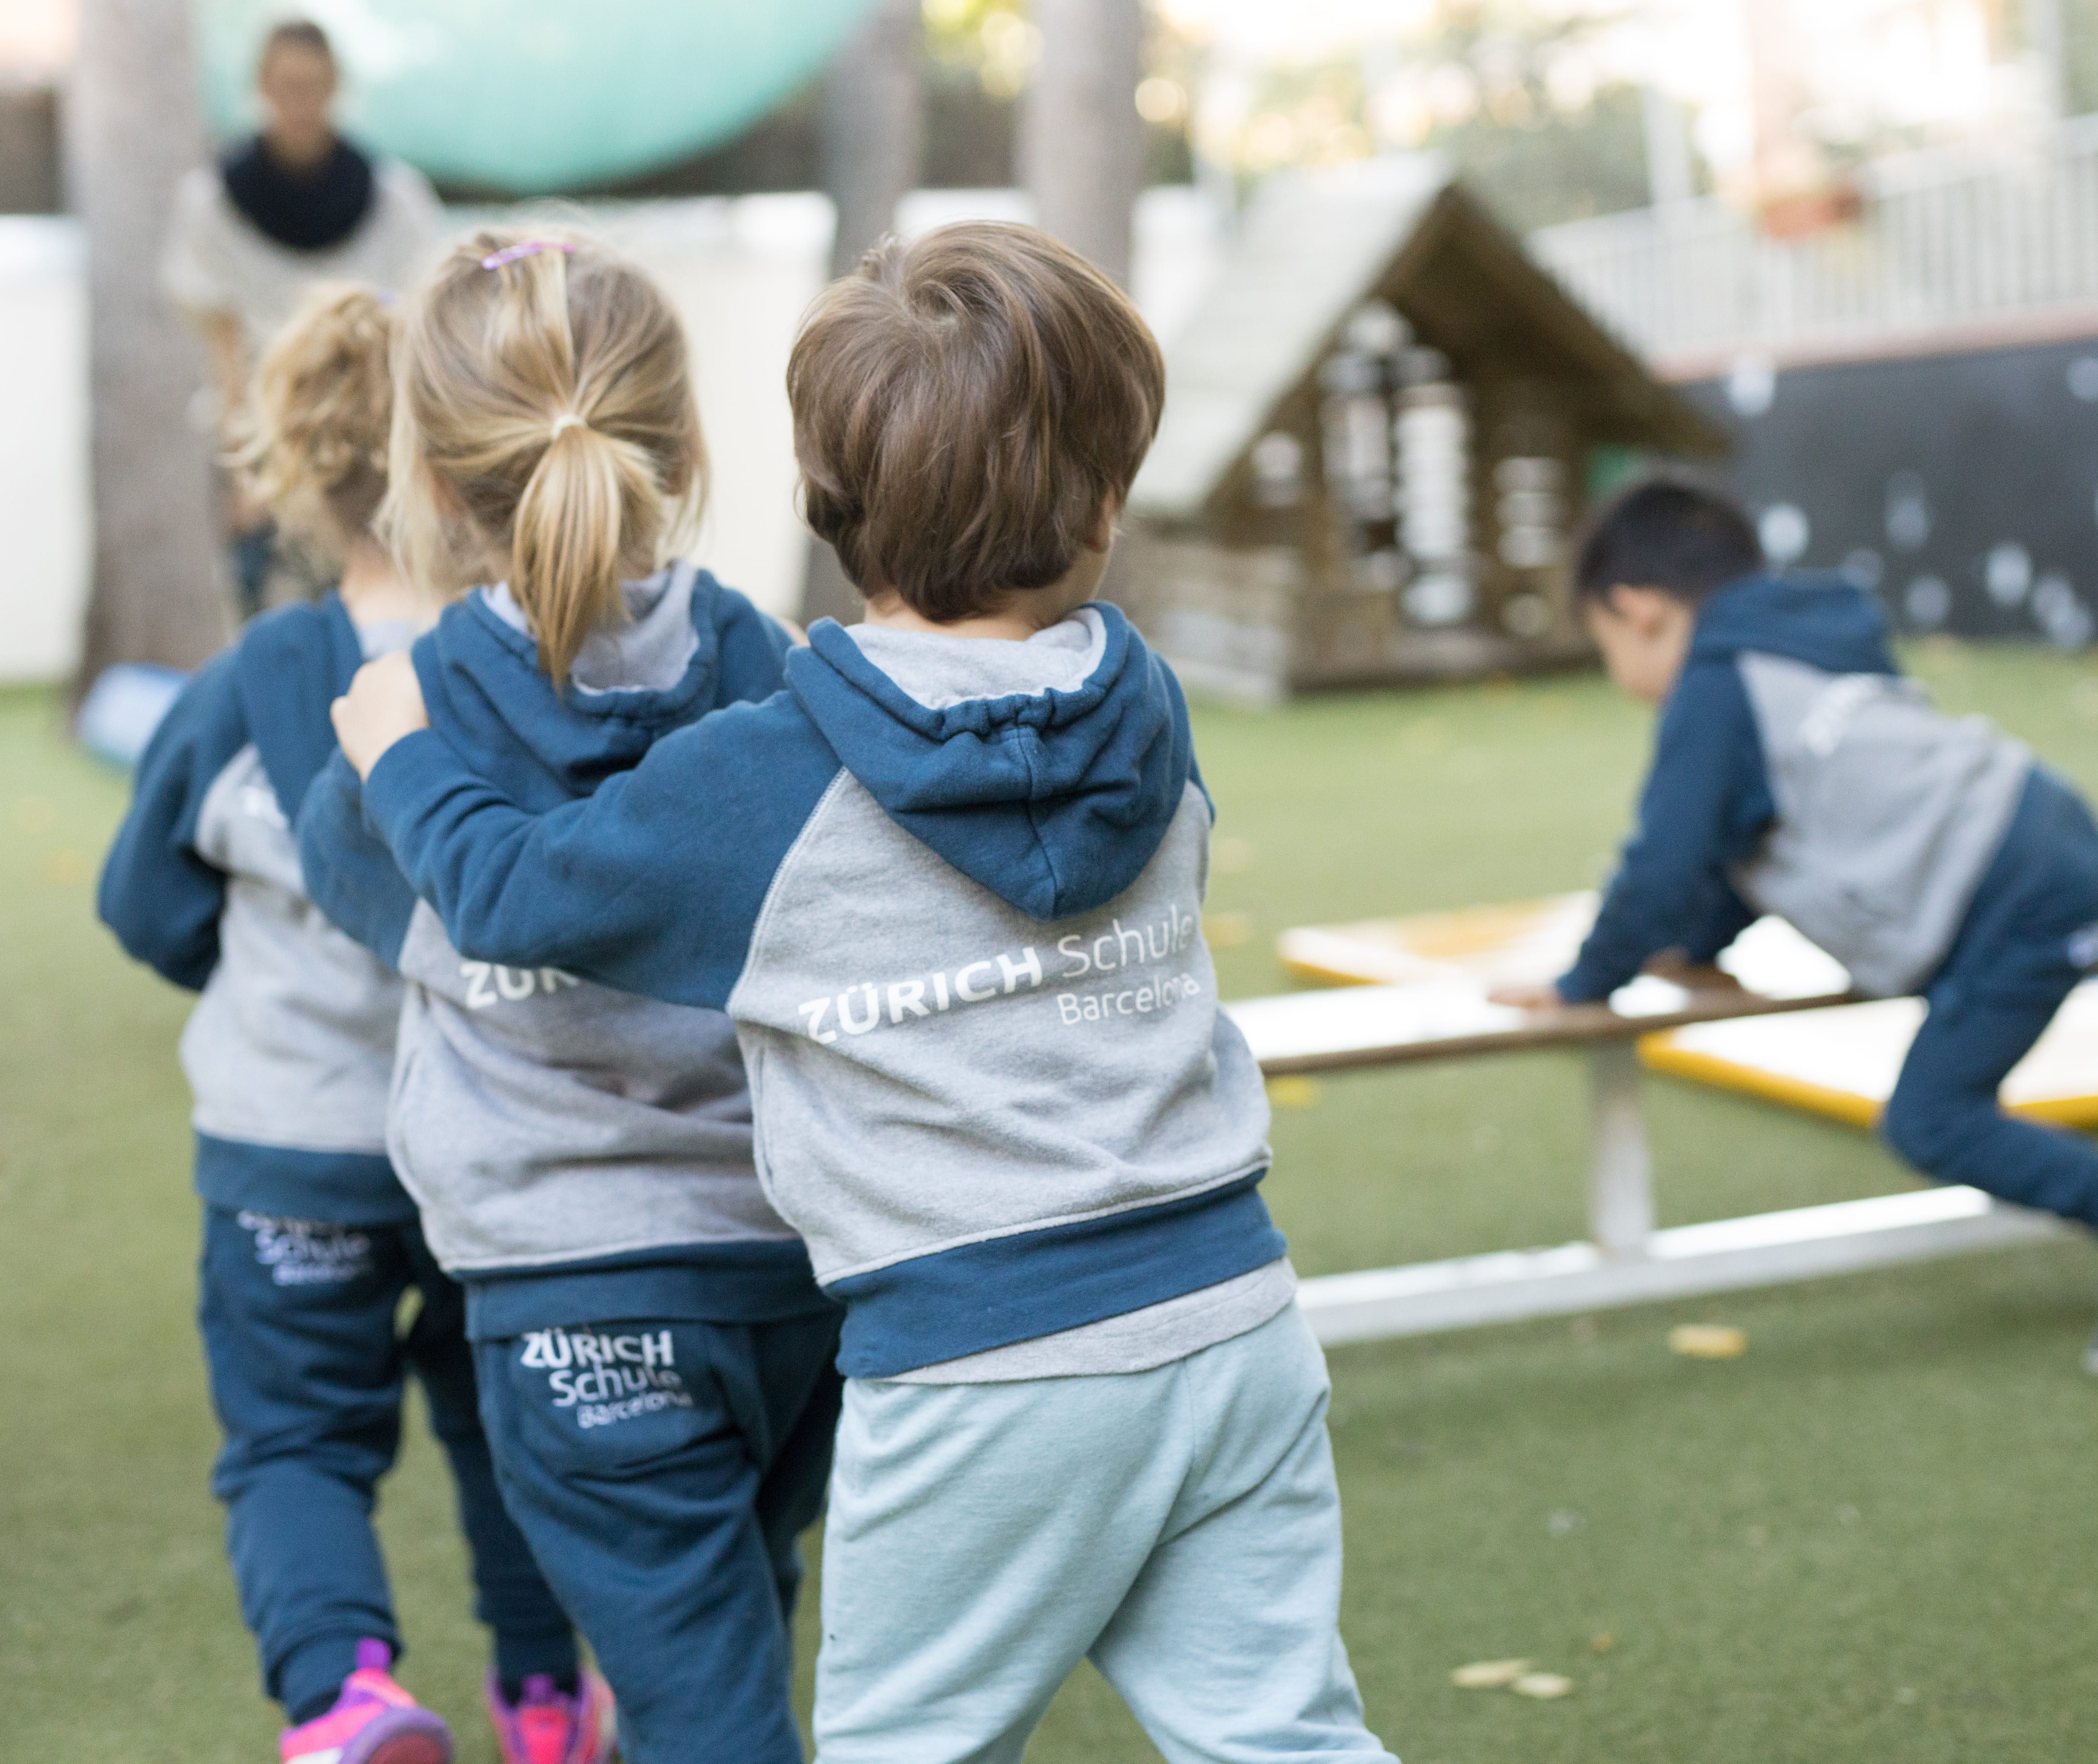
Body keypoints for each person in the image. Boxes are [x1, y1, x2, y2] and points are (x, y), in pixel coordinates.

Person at [330, 222, 1400, 1764]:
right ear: (1104, 503)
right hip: (1232, 1319)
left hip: (984, 1356)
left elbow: (506, 892)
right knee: (1280, 1733)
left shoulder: (776, 768)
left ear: (825, 503)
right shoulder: (1141, 705)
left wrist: (400, 749)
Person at [294, 229, 843, 1764]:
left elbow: (360, 901)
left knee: (706, 1695)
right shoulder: (775, 665)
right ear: (679, 444)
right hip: (793, 1274)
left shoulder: (409, 707)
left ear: (432, 477)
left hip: (574, 1300)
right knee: (730, 1627)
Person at [97, 282, 610, 1764]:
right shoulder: (528, 672)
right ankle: (541, 1695)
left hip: (288, 1150)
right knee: (506, 1428)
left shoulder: (250, 680)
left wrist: (246, 979)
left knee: (294, 1439)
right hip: (491, 1147)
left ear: (292, 474)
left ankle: (344, 1694)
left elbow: (144, 901)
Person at [1488, 476, 2098, 1383]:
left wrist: (1584, 982)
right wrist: (1697, 947)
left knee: (1932, 1119)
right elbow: (1754, 847)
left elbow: (1664, 866)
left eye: (1605, 645)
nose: (1618, 674)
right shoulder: (1806, 639)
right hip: (2025, 822)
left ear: (1638, 610)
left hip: (2007, 899)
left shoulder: (1712, 688)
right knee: (2042, 892)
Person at [163, 17, 444, 620]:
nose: (301, 102)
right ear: (263, 86)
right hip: (265, 433)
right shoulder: (213, 203)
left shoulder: (394, 198)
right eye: (287, 85)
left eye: (313, 85)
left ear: (334, 87)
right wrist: (247, 466)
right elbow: (225, 336)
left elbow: (417, 328)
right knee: (265, 612)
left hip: (369, 435)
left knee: (375, 606)